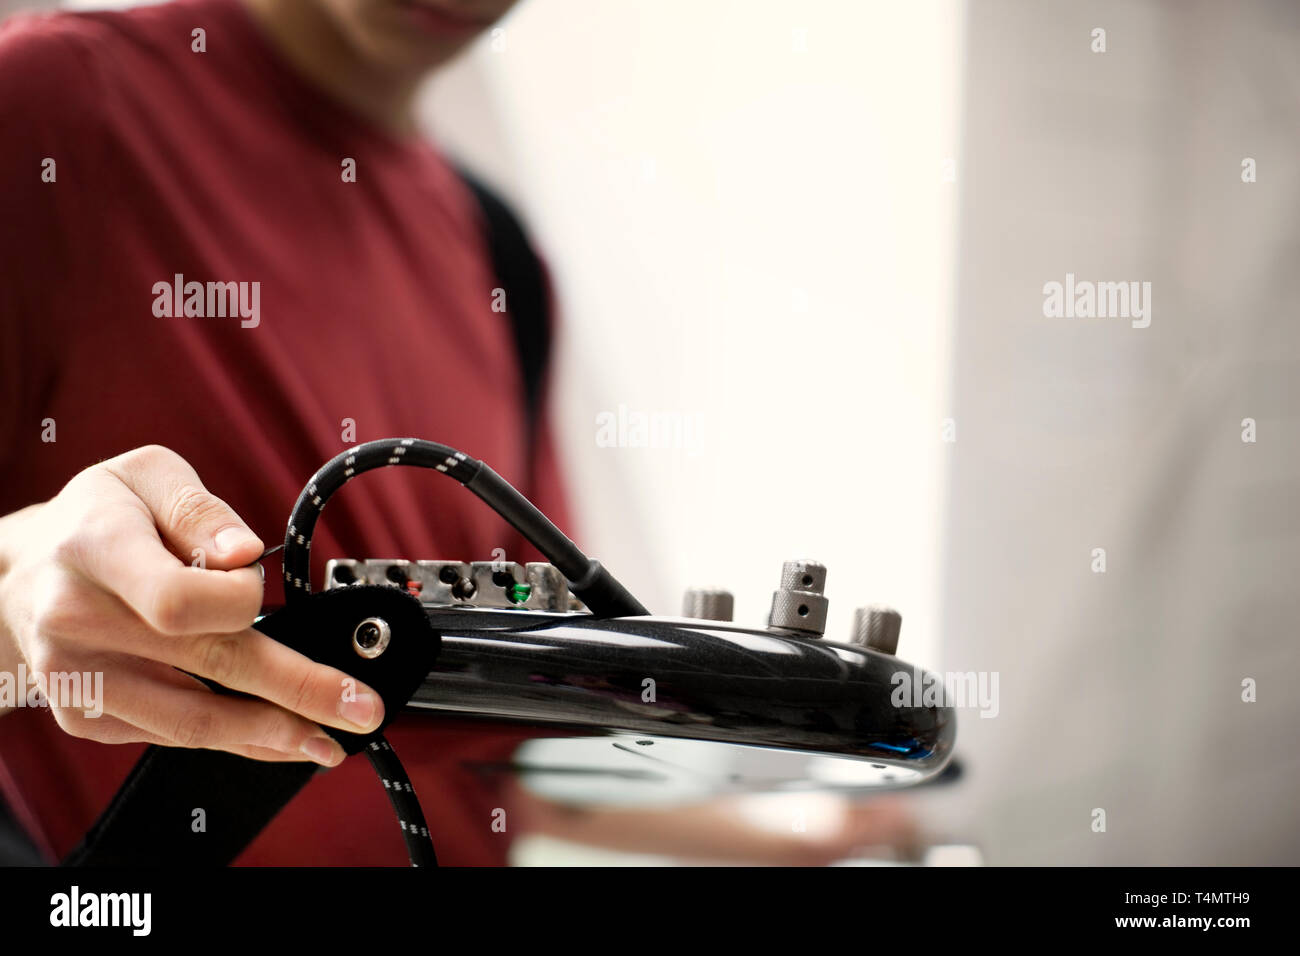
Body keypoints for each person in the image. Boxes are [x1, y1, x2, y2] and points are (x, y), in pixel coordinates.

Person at [0, 0, 915, 865]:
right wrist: (19, 583)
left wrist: (807, 832)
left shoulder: (500, 257)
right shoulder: (47, 111)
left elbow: (494, 756)